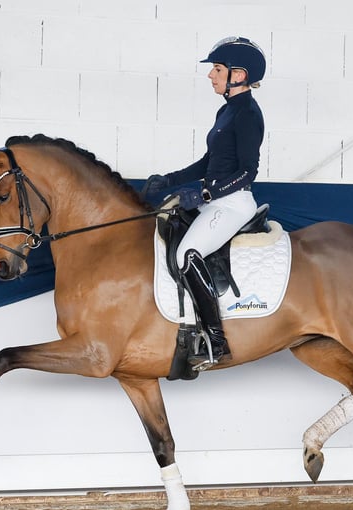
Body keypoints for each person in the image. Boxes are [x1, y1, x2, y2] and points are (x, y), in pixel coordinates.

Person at [142, 36, 266, 370]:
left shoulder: (248, 114)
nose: (211, 75)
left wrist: (207, 194)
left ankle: (216, 339)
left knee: (187, 253)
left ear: (238, 74)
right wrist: (170, 180)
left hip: (233, 203)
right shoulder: (226, 110)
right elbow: (209, 161)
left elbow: (247, 172)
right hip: (216, 200)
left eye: (217, 69)